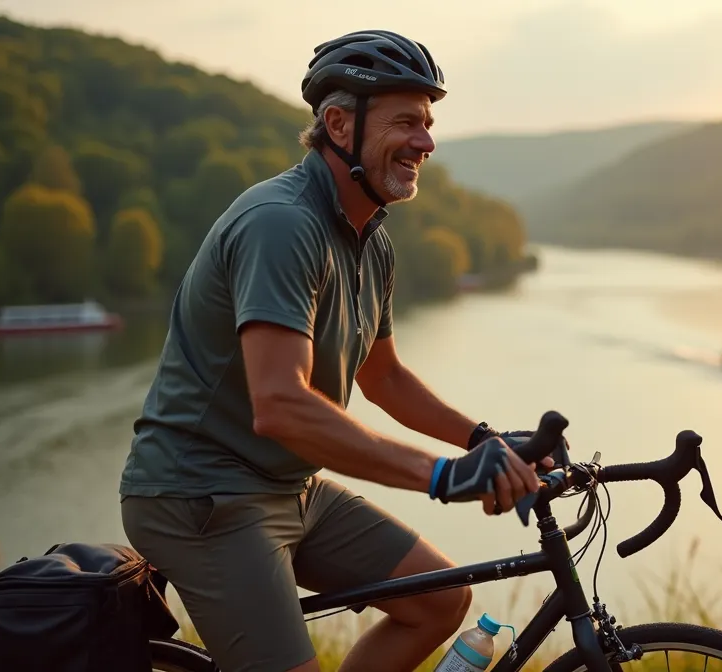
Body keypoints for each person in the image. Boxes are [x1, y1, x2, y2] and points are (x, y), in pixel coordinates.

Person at [118, 30, 555, 672]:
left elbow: (385, 377)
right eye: (405, 122)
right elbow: (281, 405)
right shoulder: (281, 225)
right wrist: (442, 476)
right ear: (338, 124)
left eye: (428, 124)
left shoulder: (369, 239)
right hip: (202, 495)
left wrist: (483, 440)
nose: (426, 142)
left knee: (441, 601)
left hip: (291, 486)